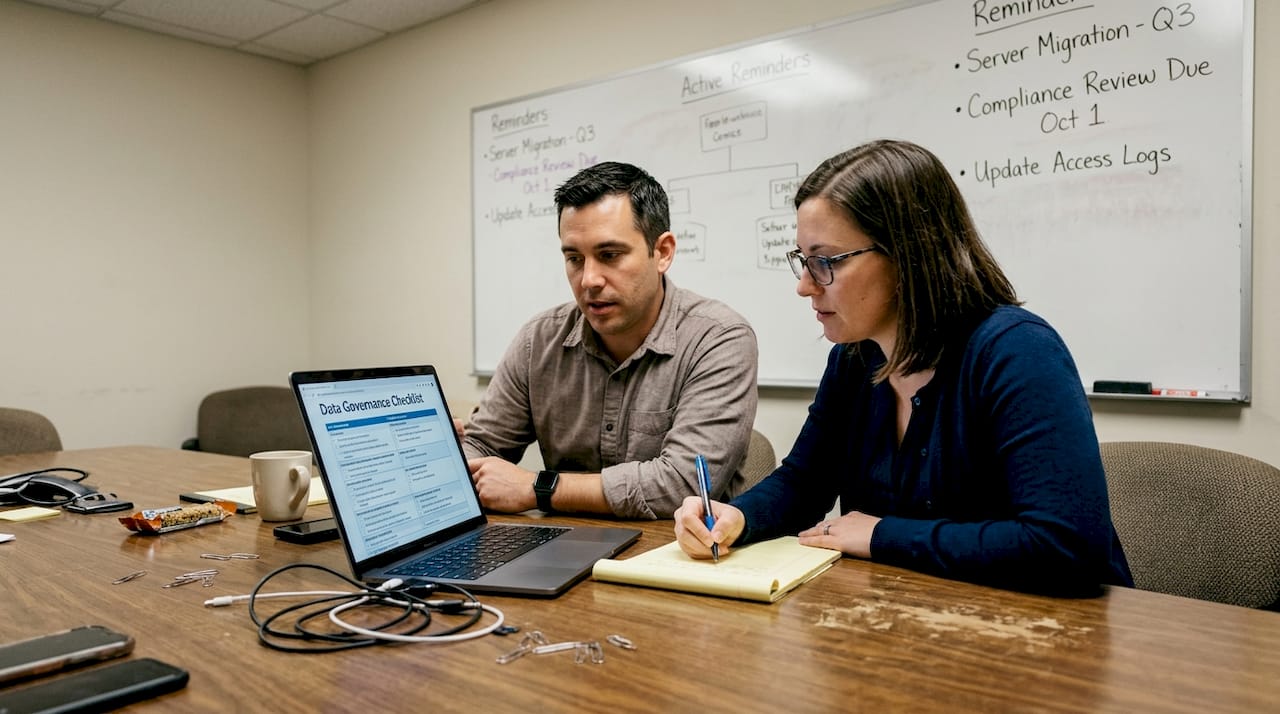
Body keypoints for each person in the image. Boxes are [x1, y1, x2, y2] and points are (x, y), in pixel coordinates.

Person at [674, 139, 1132, 594]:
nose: (805, 286)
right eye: (803, 260)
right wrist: (739, 517)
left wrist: (881, 535)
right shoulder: (855, 358)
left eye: (825, 261)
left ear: (907, 254)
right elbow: (805, 481)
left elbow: (1066, 546)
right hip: (916, 611)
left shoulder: (1018, 352)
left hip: (1058, 624)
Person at [464, 161, 759, 519]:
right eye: (575, 258)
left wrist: (538, 488)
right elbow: (481, 446)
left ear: (663, 252)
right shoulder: (538, 340)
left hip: (678, 548)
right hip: (564, 544)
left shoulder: (718, 338)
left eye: (609, 255)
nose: (589, 279)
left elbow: (683, 484)